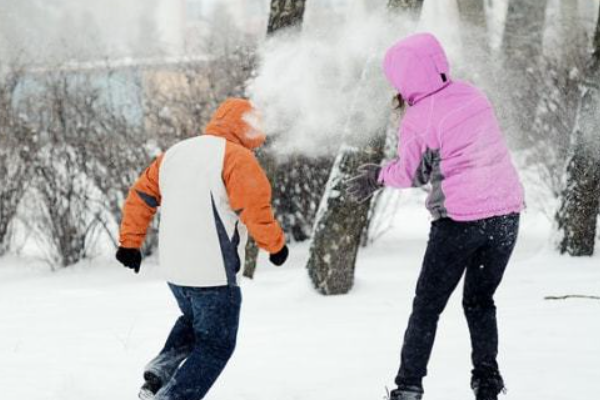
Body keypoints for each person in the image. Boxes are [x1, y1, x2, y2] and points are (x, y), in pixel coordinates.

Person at [346, 33, 525, 400]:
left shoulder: (418, 117)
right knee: (480, 301)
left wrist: (376, 176)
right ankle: (487, 382)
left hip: (459, 220)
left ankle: (408, 387)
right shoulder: (473, 95)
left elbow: (412, 173)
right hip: (506, 214)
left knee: (426, 308)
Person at [115, 98, 289, 400]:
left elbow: (141, 195)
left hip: (175, 271)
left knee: (196, 323)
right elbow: (254, 209)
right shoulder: (237, 158)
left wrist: (130, 242)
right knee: (217, 345)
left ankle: (158, 376)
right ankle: (174, 396)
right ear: (248, 128)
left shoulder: (176, 153)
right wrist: (274, 246)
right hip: (213, 272)